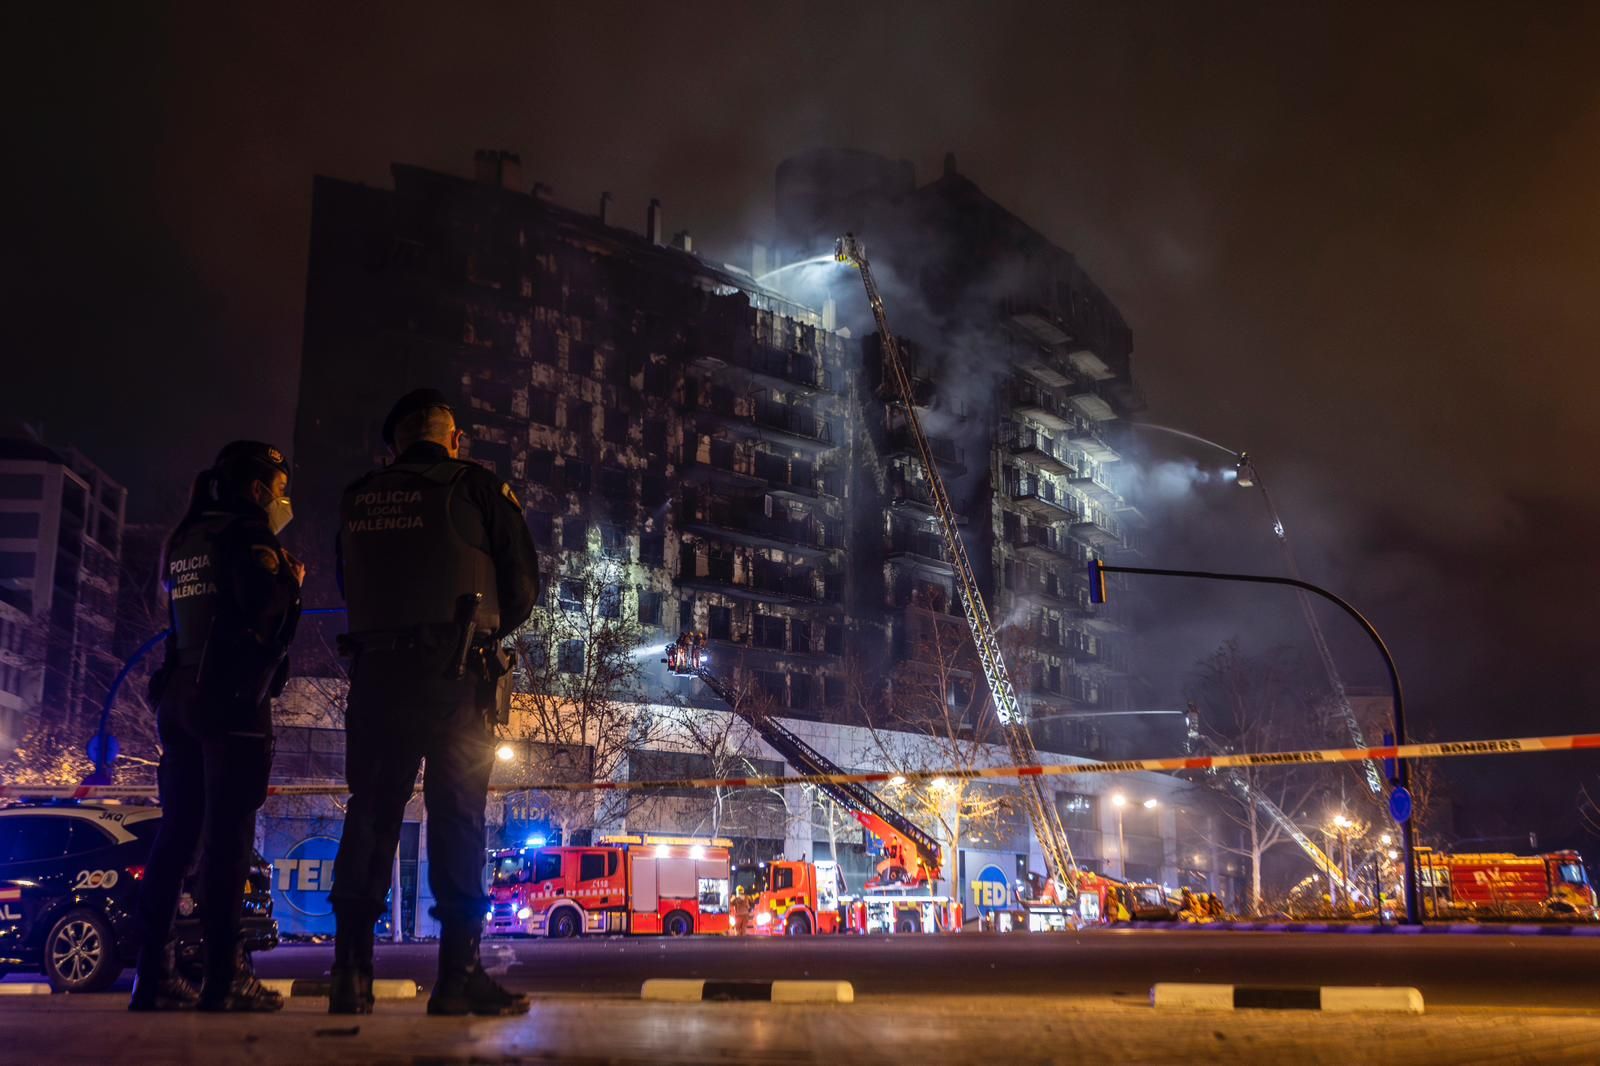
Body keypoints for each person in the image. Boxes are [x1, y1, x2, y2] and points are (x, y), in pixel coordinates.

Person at [329, 389, 540, 1016]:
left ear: (393, 444)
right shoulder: (477, 487)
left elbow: (350, 581)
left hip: (376, 676)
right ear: (454, 439)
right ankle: (458, 975)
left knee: (369, 813)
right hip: (455, 676)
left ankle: (349, 974)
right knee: (456, 818)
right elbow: (522, 585)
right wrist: (480, 637)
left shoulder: (360, 494)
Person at [130, 442, 303, 1012]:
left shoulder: (187, 537)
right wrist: (292, 585)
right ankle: (226, 980)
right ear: (256, 488)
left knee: (177, 838)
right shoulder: (249, 537)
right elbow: (261, 611)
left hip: (180, 694)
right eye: (278, 489)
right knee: (229, 844)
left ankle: (153, 975)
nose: (282, 500)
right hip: (231, 700)